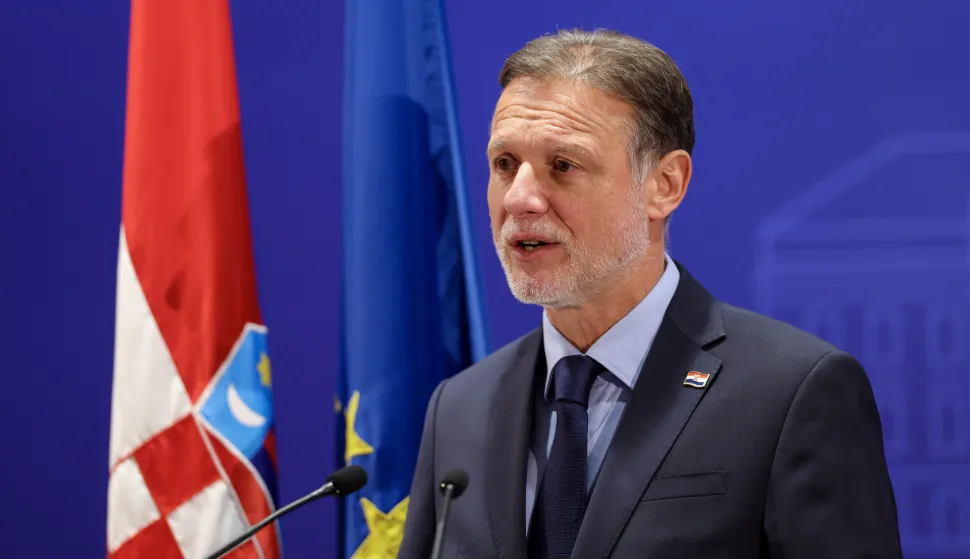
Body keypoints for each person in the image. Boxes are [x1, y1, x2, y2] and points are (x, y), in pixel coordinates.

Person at [398, 28, 902, 558]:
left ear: (665, 185)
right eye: (504, 164)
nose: (519, 198)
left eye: (563, 165)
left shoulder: (791, 392)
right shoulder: (458, 407)